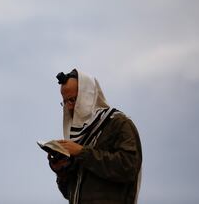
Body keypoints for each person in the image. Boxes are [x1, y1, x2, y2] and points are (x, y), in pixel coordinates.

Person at [48, 69, 142, 204]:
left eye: (73, 100)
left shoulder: (119, 124)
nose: (69, 107)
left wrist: (82, 152)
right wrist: (61, 171)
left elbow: (128, 167)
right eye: (65, 101)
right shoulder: (76, 136)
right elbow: (70, 194)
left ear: (87, 96)